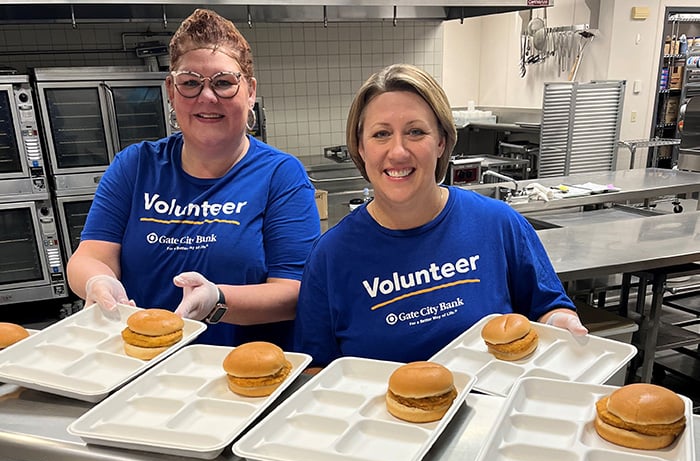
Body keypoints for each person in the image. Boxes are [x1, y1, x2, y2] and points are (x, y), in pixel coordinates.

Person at [294, 63, 587, 367]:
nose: (398, 151)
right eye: (381, 134)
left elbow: (548, 307)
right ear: (361, 148)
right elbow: (316, 366)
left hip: (495, 411)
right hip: (380, 414)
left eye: (415, 132)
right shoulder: (331, 256)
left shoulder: (497, 224)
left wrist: (560, 324)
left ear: (441, 141)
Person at [67, 8, 320, 349]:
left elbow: (295, 292)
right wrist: (97, 281)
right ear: (171, 91)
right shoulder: (135, 166)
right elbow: (89, 257)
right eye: (190, 83)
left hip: (236, 375)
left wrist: (218, 300)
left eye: (224, 83)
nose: (207, 97)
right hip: (139, 366)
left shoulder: (280, 176)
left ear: (250, 91)